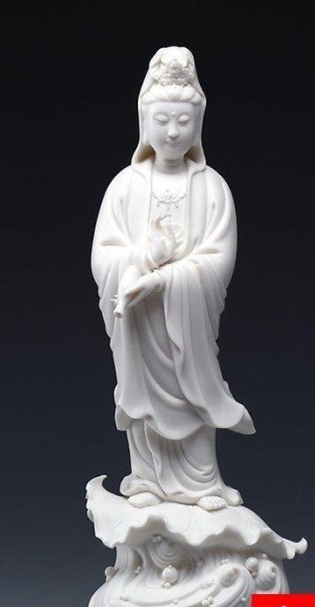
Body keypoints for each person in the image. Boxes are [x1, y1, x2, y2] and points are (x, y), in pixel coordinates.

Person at [91, 47, 254, 511]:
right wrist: (141, 262)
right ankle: (145, 478)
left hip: (186, 318)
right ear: (145, 121)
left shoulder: (212, 187)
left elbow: (218, 259)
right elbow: (103, 254)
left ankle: (203, 483)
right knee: (139, 391)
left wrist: (166, 281)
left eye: (183, 121)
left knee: (191, 388)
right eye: (162, 120)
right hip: (139, 320)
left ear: (197, 123)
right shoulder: (124, 186)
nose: (172, 131)